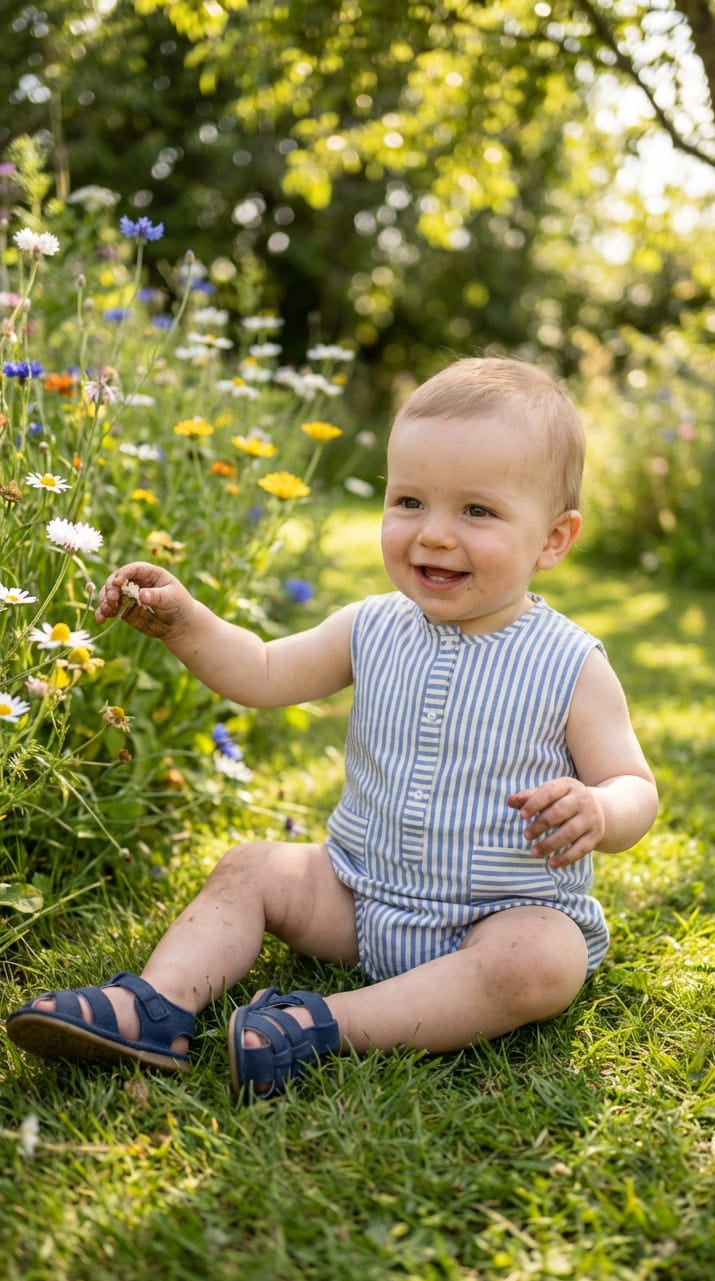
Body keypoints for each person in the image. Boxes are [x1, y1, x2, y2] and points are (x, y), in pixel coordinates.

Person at [6, 356, 658, 1100]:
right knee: (252, 866)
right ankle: (155, 1005)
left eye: (476, 511)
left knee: (545, 962)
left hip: (500, 918)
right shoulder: (370, 626)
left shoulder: (568, 663)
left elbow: (634, 785)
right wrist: (186, 623)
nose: (434, 535)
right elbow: (260, 669)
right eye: (409, 500)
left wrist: (599, 809)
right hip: (357, 898)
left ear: (552, 538)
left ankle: (321, 1025)